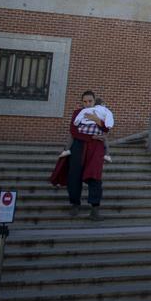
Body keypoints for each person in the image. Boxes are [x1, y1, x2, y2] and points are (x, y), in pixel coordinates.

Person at [49, 90, 111, 220]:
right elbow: (73, 130)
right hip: (79, 146)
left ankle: (95, 209)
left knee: (95, 176)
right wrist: (92, 136)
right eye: (85, 101)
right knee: (74, 175)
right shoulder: (77, 113)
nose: (87, 104)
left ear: (94, 101)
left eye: (90, 101)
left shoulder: (100, 112)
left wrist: (96, 121)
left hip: (96, 148)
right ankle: (75, 204)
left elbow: (106, 128)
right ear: (82, 102)